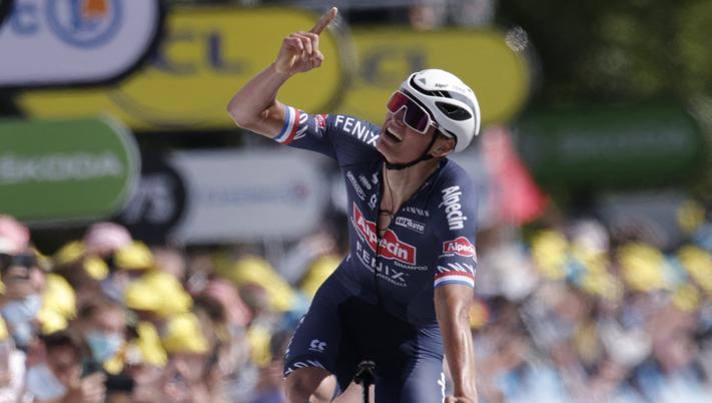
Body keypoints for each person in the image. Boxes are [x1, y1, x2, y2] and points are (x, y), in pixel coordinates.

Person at [227, 7, 482, 402]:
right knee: (299, 389)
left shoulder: (451, 192)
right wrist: (282, 71)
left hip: (413, 330)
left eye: (413, 117)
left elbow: (454, 300)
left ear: (442, 145)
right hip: (348, 299)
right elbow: (244, 113)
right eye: (397, 103)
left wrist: (466, 391)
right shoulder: (355, 140)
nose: (394, 118)